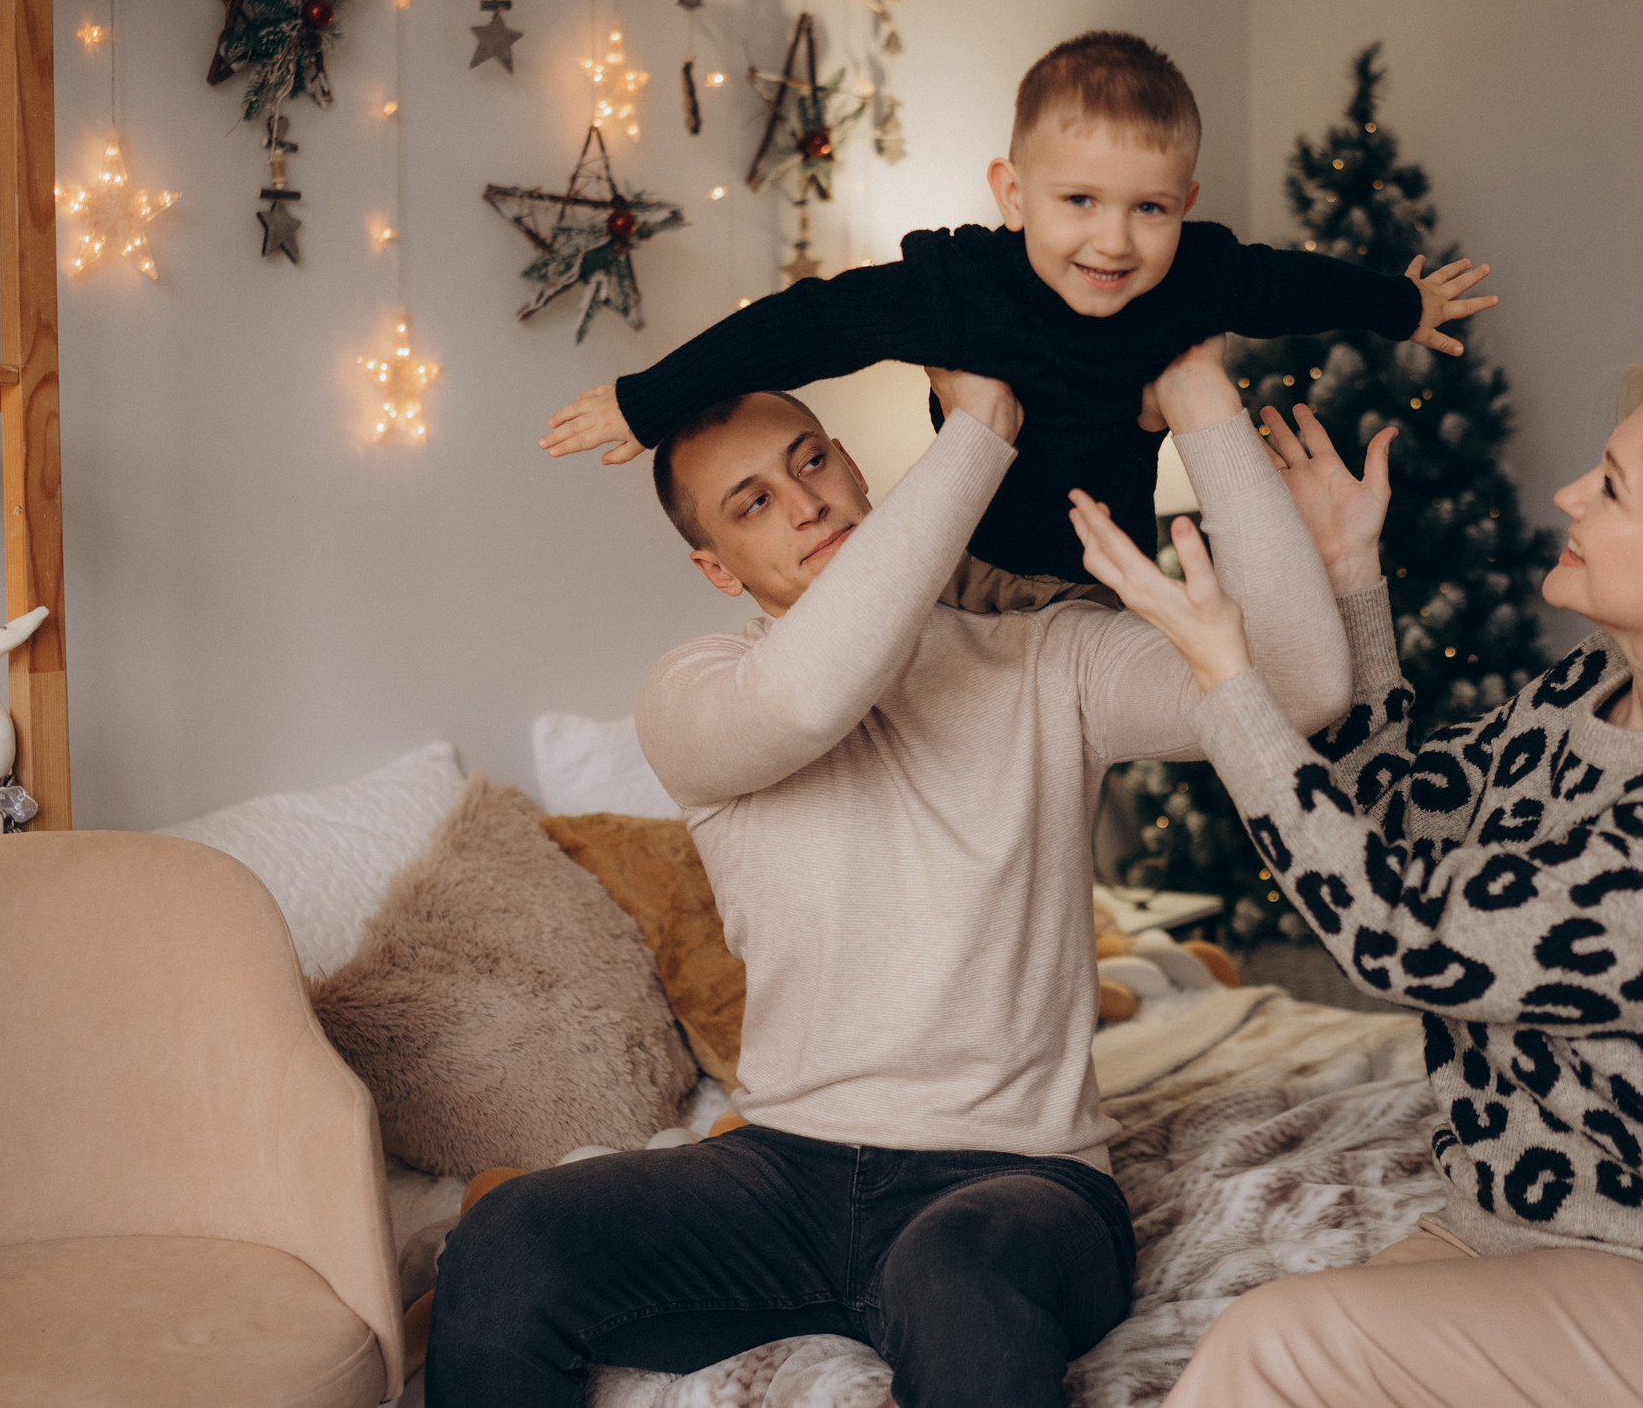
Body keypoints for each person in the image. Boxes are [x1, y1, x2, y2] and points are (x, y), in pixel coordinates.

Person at [427, 345, 1353, 1408]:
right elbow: (810, 699)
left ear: (856, 466)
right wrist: (978, 432)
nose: (805, 503)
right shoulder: (696, 692)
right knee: (505, 1238)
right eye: (754, 502)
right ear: (717, 568)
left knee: (953, 1270)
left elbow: (1302, 688)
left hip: (1016, 1182)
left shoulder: (1047, 656)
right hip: (783, 1174)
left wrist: (1197, 396)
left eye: (811, 461)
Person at [1063, 358, 1643, 1408]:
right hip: (1527, 1237)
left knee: (1275, 1344)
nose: (1569, 495)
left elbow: (1401, 931)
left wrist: (1226, 681)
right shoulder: (1593, 694)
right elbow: (1393, 824)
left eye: (1610, 487)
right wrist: (1349, 576)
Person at [539, 29, 1497, 588]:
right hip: (969, 575)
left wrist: (1400, 303)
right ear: (1013, 193)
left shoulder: (1199, 275)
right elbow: (809, 324)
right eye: (1079, 201)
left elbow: (1292, 285)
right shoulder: (963, 287)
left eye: (1150, 209)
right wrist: (649, 399)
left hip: (1104, 580)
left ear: (1186, 205)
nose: (1114, 241)